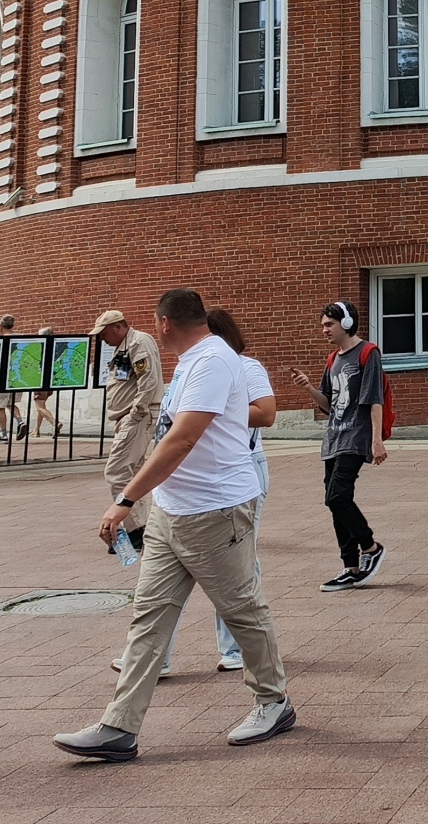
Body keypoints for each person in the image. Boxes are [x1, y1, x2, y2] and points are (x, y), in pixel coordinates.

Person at [55, 288, 293, 762]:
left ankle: (274, 701)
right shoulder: (188, 361)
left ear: (165, 323)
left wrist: (125, 499)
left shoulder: (212, 362)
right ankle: (119, 726)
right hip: (172, 509)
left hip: (215, 510)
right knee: (150, 614)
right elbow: (170, 433)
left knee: (241, 609)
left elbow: (181, 439)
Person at [286, 302, 387, 591]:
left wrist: (376, 440)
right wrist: (307, 387)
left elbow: (374, 399)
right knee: (334, 501)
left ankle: (370, 547)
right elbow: (329, 406)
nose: (324, 330)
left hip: (355, 438)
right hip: (334, 438)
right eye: (323, 325)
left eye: (329, 324)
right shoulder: (333, 360)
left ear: (345, 323)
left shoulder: (368, 353)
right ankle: (350, 567)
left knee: (337, 497)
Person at [205, 307, 275, 674]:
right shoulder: (202, 369)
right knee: (227, 558)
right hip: (214, 474)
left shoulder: (247, 367)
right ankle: (237, 646)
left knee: (240, 558)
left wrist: (217, 409)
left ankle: (239, 647)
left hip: (246, 466)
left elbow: (266, 413)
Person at [93, 309, 164, 545]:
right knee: (133, 473)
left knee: (116, 472)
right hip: (127, 417)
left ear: (118, 327)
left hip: (136, 417)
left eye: (104, 334)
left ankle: (136, 529)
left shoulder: (138, 342)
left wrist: (137, 411)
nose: (103, 339)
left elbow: (148, 379)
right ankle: (143, 527)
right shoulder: (123, 346)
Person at [0, 314, 26, 443]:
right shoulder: (21, 339)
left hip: (4, 377)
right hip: (17, 377)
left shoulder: (1, 341)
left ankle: (4, 435)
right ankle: (20, 421)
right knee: (11, 404)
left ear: (1, 326)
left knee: (1, 406)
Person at [30, 326, 59, 440]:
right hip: (50, 381)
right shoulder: (54, 348)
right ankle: (36, 430)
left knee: (39, 407)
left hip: (40, 381)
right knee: (41, 406)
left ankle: (54, 423)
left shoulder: (40, 349)